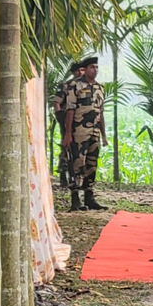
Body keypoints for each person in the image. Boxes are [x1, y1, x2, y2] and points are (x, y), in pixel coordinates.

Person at [63, 57, 107, 211]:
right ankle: (75, 199)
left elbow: (100, 113)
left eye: (96, 67)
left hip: (94, 132)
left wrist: (104, 135)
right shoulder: (75, 86)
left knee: (91, 164)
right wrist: (68, 133)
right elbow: (70, 110)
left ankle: (89, 197)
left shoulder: (100, 88)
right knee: (77, 164)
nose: (95, 70)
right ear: (85, 69)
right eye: (92, 67)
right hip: (79, 132)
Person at [52, 61, 84, 186]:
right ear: (73, 72)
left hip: (80, 122)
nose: (80, 73)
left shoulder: (85, 86)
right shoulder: (66, 86)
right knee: (67, 147)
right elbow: (56, 102)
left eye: (82, 70)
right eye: (78, 70)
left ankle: (76, 174)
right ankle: (63, 173)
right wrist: (60, 116)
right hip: (67, 120)